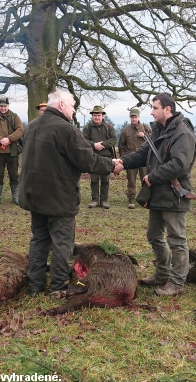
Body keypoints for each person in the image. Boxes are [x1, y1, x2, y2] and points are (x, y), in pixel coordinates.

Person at [18, 90, 116, 297]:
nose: (73, 111)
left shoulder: (32, 126)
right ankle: (58, 286)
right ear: (62, 105)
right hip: (59, 197)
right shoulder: (66, 129)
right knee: (62, 243)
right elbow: (87, 160)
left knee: (39, 239)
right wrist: (112, 165)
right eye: (72, 106)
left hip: (34, 196)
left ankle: (34, 285)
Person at [114, 92, 196, 296]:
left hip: (174, 195)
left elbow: (179, 164)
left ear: (167, 109)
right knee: (154, 235)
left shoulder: (182, 134)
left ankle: (177, 283)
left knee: (177, 239)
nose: (151, 112)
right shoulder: (158, 132)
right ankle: (162, 274)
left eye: (155, 108)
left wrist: (152, 176)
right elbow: (144, 154)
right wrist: (123, 162)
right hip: (158, 196)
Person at [0, 96, 24, 206]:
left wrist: (9, 139)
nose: (3, 108)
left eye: (5, 106)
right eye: (1, 106)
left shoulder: (14, 117)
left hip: (12, 152)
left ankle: (15, 196)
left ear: (8, 106)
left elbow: (20, 130)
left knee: (14, 175)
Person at [82, 106, 117, 209]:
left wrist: (103, 145)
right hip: (92, 157)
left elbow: (114, 139)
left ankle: (104, 200)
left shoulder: (108, 127)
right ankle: (95, 200)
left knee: (105, 180)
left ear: (102, 116)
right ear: (92, 116)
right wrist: (94, 145)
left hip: (106, 158)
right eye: (95, 115)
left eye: (99, 115)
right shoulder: (87, 128)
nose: (97, 117)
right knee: (94, 180)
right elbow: (83, 140)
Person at [118, 108, 150, 209]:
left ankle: (145, 200)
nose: (134, 119)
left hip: (143, 159)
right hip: (131, 159)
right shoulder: (125, 130)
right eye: (132, 117)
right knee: (131, 180)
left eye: (135, 117)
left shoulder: (145, 128)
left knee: (145, 180)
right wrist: (124, 158)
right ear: (130, 118)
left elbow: (154, 140)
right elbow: (121, 146)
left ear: (139, 117)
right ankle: (131, 199)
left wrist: (145, 135)